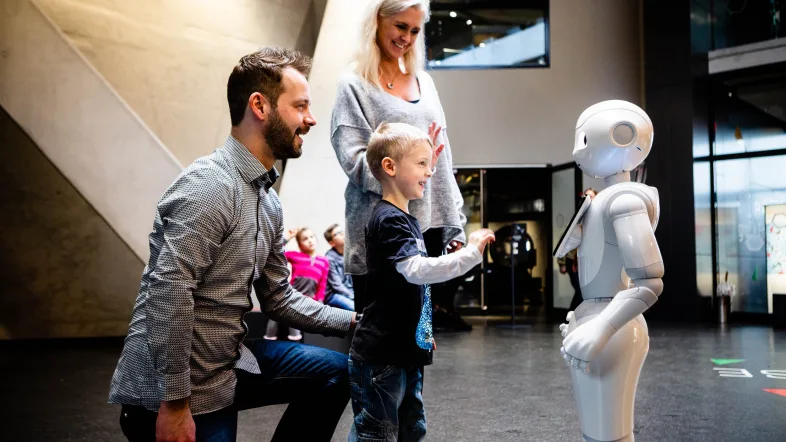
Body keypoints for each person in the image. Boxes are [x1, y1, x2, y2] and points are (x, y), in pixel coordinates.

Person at [108, 47, 358, 442]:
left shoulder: (268, 201)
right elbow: (169, 294)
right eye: (301, 106)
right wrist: (173, 406)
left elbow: (279, 297)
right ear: (260, 106)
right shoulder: (210, 186)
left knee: (335, 373)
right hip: (172, 394)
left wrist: (355, 320)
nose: (310, 119)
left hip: (226, 364)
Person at [348, 122, 495, 441]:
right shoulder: (389, 220)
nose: (429, 173)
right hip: (382, 356)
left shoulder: (406, 220)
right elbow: (416, 270)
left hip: (405, 351)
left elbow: (412, 290)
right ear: (389, 167)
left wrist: (421, 330)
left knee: (411, 429)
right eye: (421, 164)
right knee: (376, 433)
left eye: (430, 165)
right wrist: (471, 252)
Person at [330, 0, 471, 332]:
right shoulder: (354, 83)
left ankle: (412, 389)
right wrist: (408, 175)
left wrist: (454, 220)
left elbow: (443, 155)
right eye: (400, 26)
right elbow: (355, 159)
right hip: (382, 226)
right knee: (381, 338)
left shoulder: (425, 81)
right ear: (377, 22)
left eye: (414, 30)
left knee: (418, 337)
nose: (406, 37)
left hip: (431, 223)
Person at [264, 227, 331, 341]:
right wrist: (287, 238)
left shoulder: (323, 261)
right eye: (305, 239)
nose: (310, 240)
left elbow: (322, 285)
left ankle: (296, 343)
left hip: (309, 300)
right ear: (300, 245)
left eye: (311, 237)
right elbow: (276, 252)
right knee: (275, 314)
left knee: (296, 318)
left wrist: (320, 302)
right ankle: (269, 341)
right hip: (291, 296)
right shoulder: (295, 256)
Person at [559, 188, 597, 311]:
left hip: (588, 261)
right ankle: (571, 318)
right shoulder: (578, 217)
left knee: (584, 292)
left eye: (591, 197)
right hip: (574, 259)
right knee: (580, 291)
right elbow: (566, 240)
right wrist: (562, 263)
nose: (588, 199)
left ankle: (575, 318)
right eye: (586, 196)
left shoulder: (596, 219)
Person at [323, 223, 356, 311]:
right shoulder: (329, 258)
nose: (342, 234)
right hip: (334, 295)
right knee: (356, 309)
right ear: (332, 243)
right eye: (337, 233)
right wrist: (353, 297)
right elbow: (337, 285)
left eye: (342, 231)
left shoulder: (350, 253)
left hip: (349, 292)